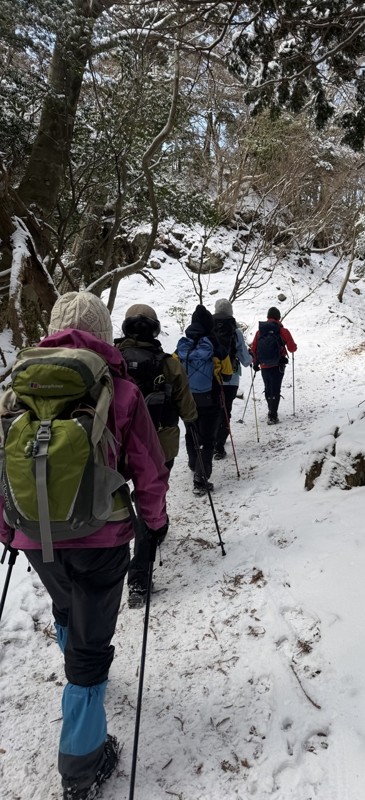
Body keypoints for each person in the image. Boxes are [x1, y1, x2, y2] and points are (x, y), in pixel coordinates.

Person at [0, 292, 169, 800]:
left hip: (35, 532)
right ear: (103, 329)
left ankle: (80, 671)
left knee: (66, 605)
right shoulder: (119, 392)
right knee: (92, 651)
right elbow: (149, 468)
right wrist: (153, 524)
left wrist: (9, 531)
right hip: (102, 537)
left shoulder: (15, 391)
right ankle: (81, 768)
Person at [114, 303, 197, 607]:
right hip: (160, 446)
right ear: (155, 328)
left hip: (116, 447)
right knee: (150, 498)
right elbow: (188, 409)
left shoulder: (110, 360)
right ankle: (139, 575)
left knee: (117, 499)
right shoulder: (170, 364)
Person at [176, 304, 224, 494]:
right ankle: (201, 478)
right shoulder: (214, 345)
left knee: (191, 431)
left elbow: (174, 367)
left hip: (187, 397)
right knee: (208, 438)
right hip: (209, 398)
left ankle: (193, 462)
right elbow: (226, 371)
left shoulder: (182, 345)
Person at [212, 298, 253, 459]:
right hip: (232, 378)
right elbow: (244, 357)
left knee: (215, 409)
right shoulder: (235, 331)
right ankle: (219, 444)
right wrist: (250, 360)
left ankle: (213, 439)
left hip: (212, 376)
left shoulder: (209, 328)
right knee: (225, 409)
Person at [250, 306, 297, 424]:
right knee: (276, 388)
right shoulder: (283, 331)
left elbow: (254, 349)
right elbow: (292, 348)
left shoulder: (259, 332)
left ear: (267, 317)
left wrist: (255, 363)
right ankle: (273, 414)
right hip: (278, 365)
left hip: (264, 365)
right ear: (278, 317)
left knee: (268, 387)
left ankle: (271, 410)